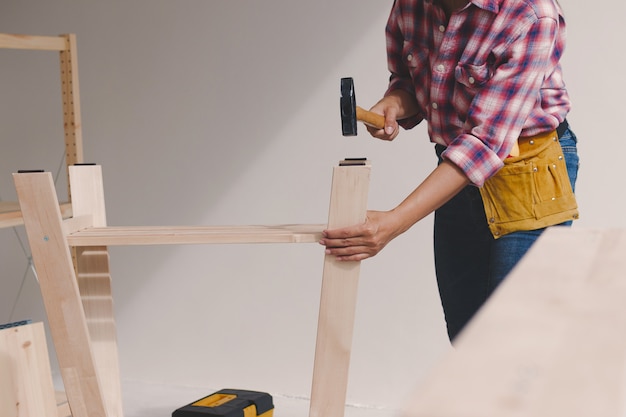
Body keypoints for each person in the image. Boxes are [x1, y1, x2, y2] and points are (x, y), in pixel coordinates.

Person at [319, 0, 579, 342]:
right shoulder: (410, 5)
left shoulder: (530, 13)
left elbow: (483, 141)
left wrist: (394, 222)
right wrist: (394, 103)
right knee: (466, 333)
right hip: (455, 172)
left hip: (528, 173)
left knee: (514, 339)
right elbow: (411, 82)